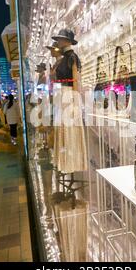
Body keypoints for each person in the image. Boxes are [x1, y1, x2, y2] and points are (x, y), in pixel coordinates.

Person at [51, 28, 88, 173]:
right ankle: (66, 163)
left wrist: (76, 102)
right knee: (64, 129)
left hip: (69, 96)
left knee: (70, 129)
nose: (58, 41)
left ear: (67, 41)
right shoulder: (64, 59)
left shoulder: (73, 57)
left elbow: (76, 80)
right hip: (63, 95)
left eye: (60, 39)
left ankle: (73, 163)